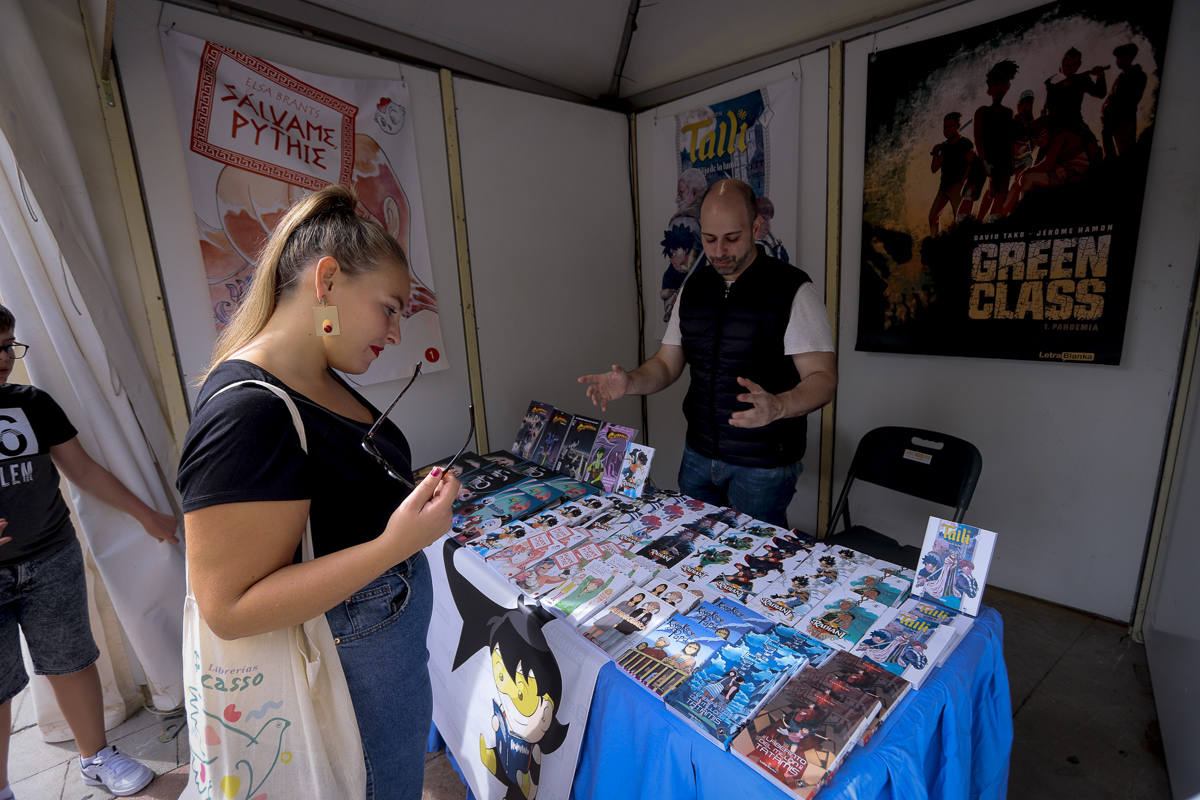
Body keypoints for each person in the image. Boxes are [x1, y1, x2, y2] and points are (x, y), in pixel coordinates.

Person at [175, 185, 460, 800]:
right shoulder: (248, 411)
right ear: (327, 280)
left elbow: (325, 496)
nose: (393, 331)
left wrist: (397, 498)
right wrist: (395, 545)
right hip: (339, 682)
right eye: (389, 308)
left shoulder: (316, 376)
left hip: (376, 667)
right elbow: (229, 607)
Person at [579, 179, 836, 528]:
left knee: (752, 561)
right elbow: (667, 364)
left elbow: (823, 379)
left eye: (732, 238)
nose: (719, 252)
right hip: (698, 454)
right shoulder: (695, 287)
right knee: (689, 547)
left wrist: (780, 406)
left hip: (762, 464)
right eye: (709, 239)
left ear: (756, 227)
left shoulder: (793, 288)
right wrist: (631, 382)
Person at [0, 304, 178, 798]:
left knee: (71, 660)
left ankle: (95, 756)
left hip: (50, 557)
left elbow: (82, 469)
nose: (4, 356)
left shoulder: (32, 403)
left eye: (8, 345)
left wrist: (146, 515)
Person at [1101, 43, 1147, 160]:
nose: (1118, 61)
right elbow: (1112, 97)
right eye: (1117, 58)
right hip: (1113, 119)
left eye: (1120, 57)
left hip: (1124, 120)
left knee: (1126, 152)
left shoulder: (1137, 75)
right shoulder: (1122, 76)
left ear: (1129, 57)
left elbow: (1129, 100)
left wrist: (1111, 109)